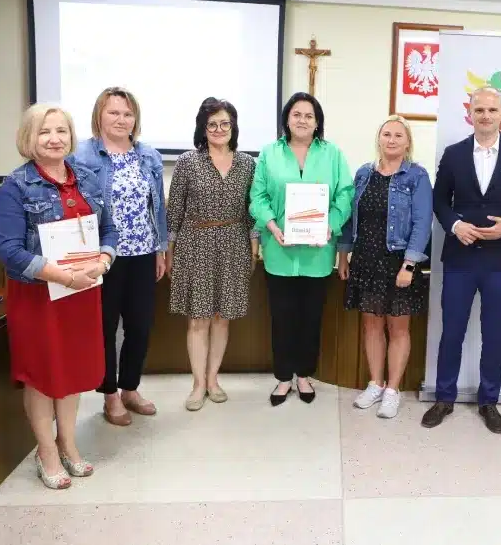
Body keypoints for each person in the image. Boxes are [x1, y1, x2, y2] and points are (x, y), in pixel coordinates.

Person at [0, 104, 117, 490]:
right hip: (38, 297)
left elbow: (109, 230)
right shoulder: (16, 186)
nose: (54, 139)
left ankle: (68, 443)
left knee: (73, 372)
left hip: (81, 294)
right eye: (44, 131)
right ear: (29, 138)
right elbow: (10, 251)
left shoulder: (88, 178)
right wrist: (62, 276)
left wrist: (103, 260)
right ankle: (46, 451)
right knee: (41, 374)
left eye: (61, 130)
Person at [422, 86, 501, 434]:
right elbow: (439, 200)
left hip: (500, 262)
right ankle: (444, 398)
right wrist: (455, 225)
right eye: (480, 110)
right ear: (470, 114)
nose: (486, 116)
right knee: (452, 332)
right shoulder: (453, 154)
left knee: (494, 334)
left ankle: (489, 401)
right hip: (460, 259)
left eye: (492, 110)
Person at [250, 92, 354, 406]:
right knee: (281, 319)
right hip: (279, 252)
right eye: (296, 114)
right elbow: (257, 197)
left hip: (318, 255)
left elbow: (345, 195)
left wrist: (330, 226)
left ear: (317, 122)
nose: (302, 120)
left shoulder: (333, 154)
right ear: (287, 119)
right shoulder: (269, 153)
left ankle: (305, 375)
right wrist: (271, 226)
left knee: (311, 319)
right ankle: (284, 377)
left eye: (309, 115)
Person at [74, 86, 167, 427]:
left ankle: (130, 388)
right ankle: (109, 394)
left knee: (140, 326)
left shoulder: (148, 156)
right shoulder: (81, 155)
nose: (121, 119)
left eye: (128, 114)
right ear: (99, 115)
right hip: (102, 256)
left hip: (143, 252)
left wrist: (160, 249)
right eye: (113, 112)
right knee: (104, 327)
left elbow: (157, 207)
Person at [166, 98, 258, 411]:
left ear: (233, 127)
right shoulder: (187, 162)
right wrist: (169, 251)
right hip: (195, 244)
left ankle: (213, 379)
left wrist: (254, 244)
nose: (219, 129)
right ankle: (198, 384)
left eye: (225, 123)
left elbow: (251, 210)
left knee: (222, 318)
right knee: (198, 319)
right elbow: (175, 211)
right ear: (203, 129)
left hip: (234, 244)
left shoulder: (247, 164)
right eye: (212, 124)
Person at [338, 115, 432, 419]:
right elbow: (351, 217)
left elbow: (422, 222)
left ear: (407, 143)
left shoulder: (416, 176)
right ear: (379, 138)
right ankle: (375, 384)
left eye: (398, 135)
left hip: (398, 261)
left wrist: (409, 265)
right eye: (386, 134)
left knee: (398, 327)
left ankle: (392, 390)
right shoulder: (363, 173)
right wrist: (343, 255)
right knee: (371, 325)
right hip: (365, 259)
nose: (391, 140)